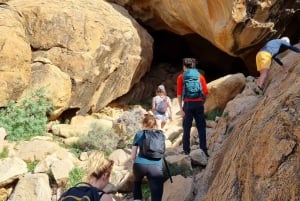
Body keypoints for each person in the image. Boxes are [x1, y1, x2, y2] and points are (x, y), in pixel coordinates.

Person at [176, 58, 209, 157]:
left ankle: (186, 150)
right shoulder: (200, 76)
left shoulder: (181, 77)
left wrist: (181, 108)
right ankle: (204, 150)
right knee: (201, 128)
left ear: (184, 66)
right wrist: (202, 102)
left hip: (188, 105)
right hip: (199, 104)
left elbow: (179, 94)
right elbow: (206, 92)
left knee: (186, 128)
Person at [131, 113, 164, 201]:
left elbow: (133, 155)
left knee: (137, 182)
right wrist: (158, 125)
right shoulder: (161, 135)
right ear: (154, 124)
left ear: (144, 124)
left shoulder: (139, 134)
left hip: (140, 165)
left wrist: (134, 165)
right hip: (156, 167)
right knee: (156, 196)